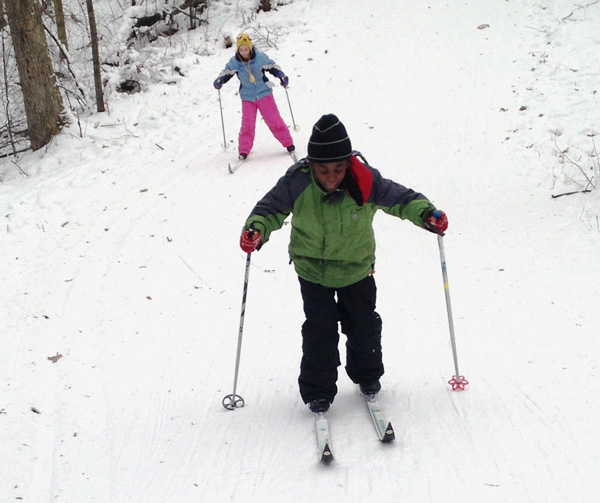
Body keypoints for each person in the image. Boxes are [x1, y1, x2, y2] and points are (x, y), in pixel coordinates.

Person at [238, 114, 448, 414]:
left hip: (356, 268)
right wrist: (256, 230)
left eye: (338, 169)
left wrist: (426, 213)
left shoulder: (365, 180)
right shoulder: (297, 182)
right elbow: (270, 208)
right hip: (312, 271)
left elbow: (401, 199)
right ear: (311, 165)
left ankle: (367, 376)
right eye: (323, 170)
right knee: (319, 331)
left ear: (348, 163)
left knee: (363, 326)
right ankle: (318, 390)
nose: (332, 176)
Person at [213, 32, 295, 160]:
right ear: (238, 49)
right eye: (241, 49)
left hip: (264, 94)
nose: (244, 52)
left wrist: (281, 75)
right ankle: (244, 151)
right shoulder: (235, 62)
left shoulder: (260, 58)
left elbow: (272, 66)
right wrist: (220, 80)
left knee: (274, 120)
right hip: (247, 97)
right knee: (247, 125)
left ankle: (288, 143)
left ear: (250, 48)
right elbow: (227, 72)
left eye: (246, 49)